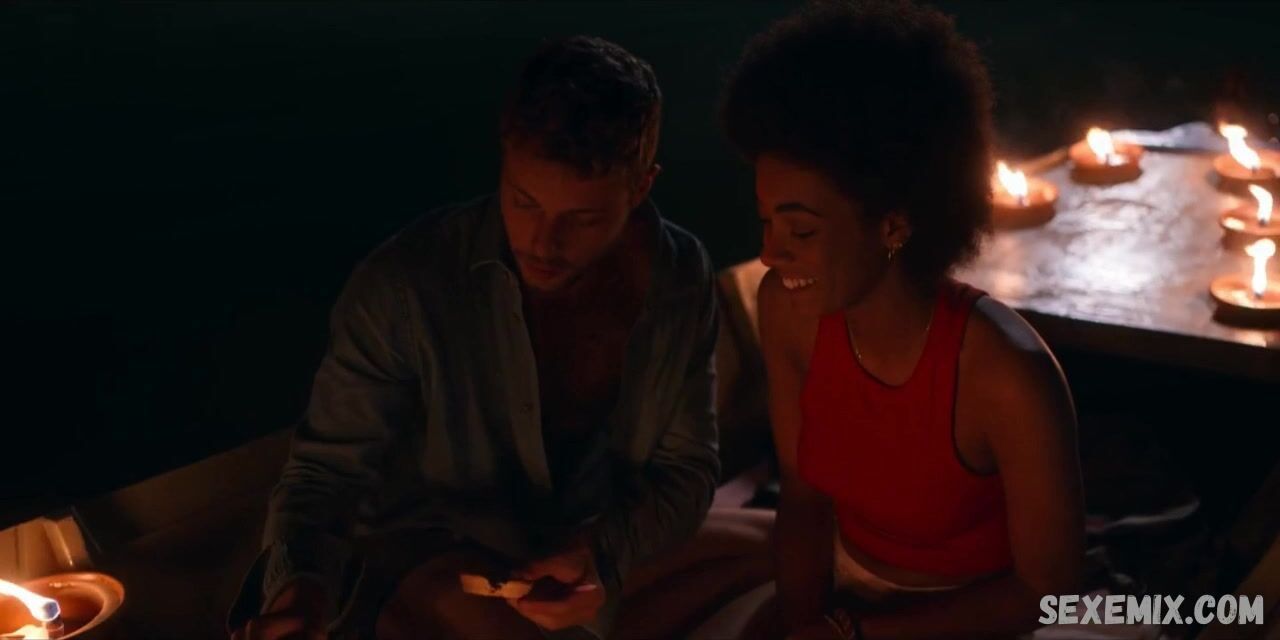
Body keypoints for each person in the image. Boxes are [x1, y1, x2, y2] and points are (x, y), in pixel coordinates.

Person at [228, 35, 771, 640]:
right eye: (524, 202)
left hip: (583, 544)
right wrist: (301, 590)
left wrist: (601, 551)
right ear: (505, 162)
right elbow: (324, 476)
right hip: (435, 550)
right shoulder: (408, 285)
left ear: (641, 186)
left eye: (582, 219)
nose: (543, 242)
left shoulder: (678, 275)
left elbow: (687, 470)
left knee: (788, 553)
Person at [721, 1, 1085, 638]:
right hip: (840, 592)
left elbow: (1045, 593)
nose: (770, 254)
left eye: (800, 231)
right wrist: (805, 624)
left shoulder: (1006, 373)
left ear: (893, 224)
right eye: (766, 221)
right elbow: (803, 500)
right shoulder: (790, 309)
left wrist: (856, 635)